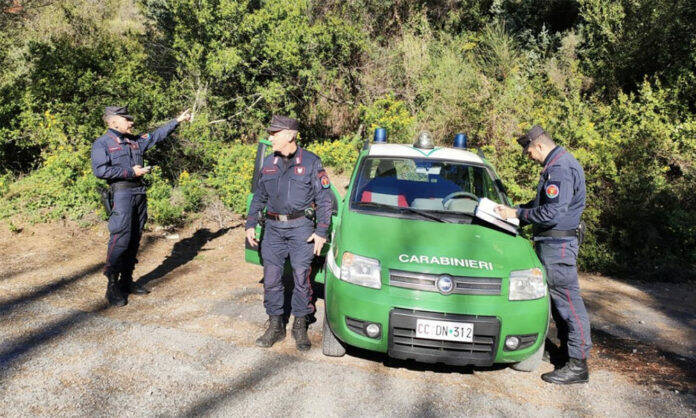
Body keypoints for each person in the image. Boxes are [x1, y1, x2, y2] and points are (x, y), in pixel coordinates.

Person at [495, 125, 592, 384]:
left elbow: (552, 214)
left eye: (529, 152)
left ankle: (578, 365)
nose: (529, 157)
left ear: (539, 145)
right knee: (559, 305)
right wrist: (514, 211)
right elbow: (542, 206)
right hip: (552, 244)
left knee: (569, 304)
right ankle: (565, 355)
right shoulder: (558, 164)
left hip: (558, 246)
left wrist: (517, 215)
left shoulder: (560, 169)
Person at [245, 115, 333, 351]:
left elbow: (324, 200)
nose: (270, 137)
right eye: (271, 133)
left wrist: (321, 231)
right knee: (272, 280)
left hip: (300, 230)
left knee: (301, 278)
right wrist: (251, 223)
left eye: (275, 133)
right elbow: (259, 197)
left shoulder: (312, 162)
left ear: (290, 135)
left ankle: (300, 325)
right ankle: (275, 325)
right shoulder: (268, 163)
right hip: (273, 229)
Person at [91, 105, 191, 307]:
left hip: (138, 193)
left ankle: (127, 281)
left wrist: (177, 121)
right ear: (113, 122)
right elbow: (100, 171)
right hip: (121, 194)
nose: (131, 122)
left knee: (135, 238)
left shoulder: (134, 141)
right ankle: (112, 286)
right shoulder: (102, 144)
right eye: (127, 119)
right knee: (121, 238)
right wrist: (130, 172)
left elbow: (155, 137)